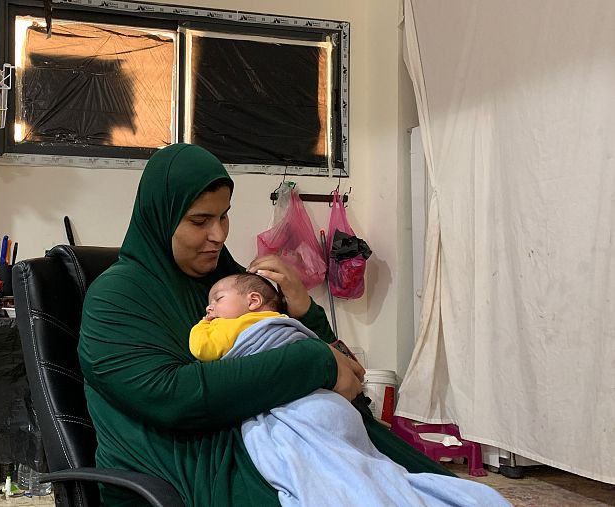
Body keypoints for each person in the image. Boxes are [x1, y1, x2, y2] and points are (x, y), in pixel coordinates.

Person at [78, 143, 455, 507]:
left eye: (224, 215)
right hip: (194, 466)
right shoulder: (116, 298)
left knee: (431, 484)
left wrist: (305, 310)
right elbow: (175, 397)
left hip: (273, 438)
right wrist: (314, 362)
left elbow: (343, 376)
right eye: (199, 220)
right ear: (160, 217)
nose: (219, 234)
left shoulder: (229, 283)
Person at [189, 273, 512, 506]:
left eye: (216, 300)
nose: (210, 308)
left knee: (323, 465)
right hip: (329, 403)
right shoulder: (286, 323)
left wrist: (204, 324)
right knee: (366, 463)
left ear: (253, 301)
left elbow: (202, 348)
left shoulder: (231, 326)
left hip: (300, 405)